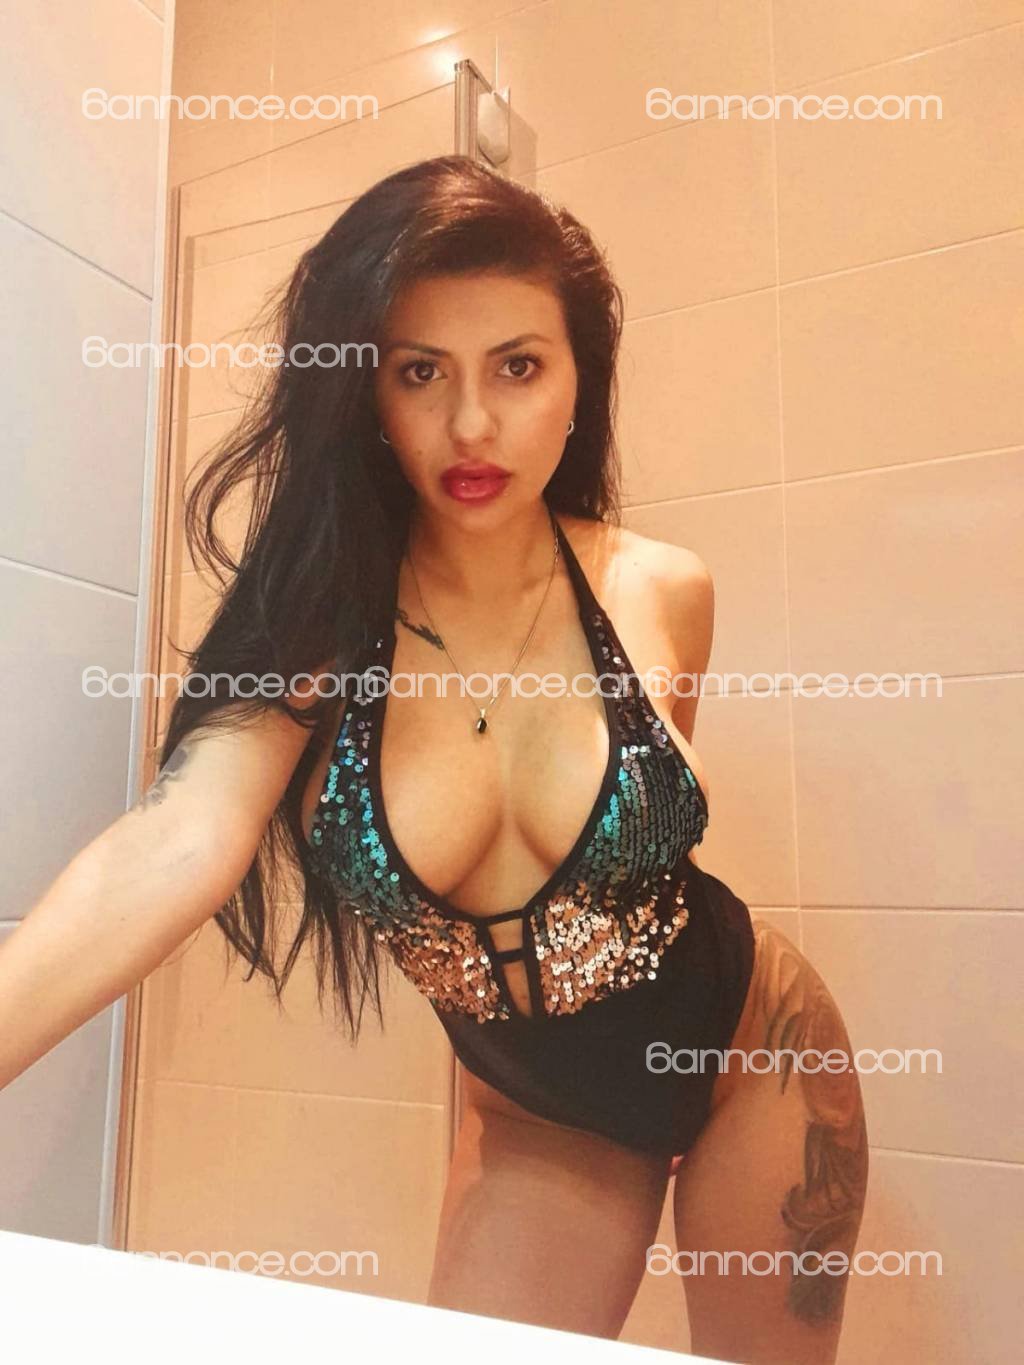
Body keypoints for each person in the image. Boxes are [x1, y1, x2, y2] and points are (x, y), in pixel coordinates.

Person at [0, 155, 867, 1364]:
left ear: (577, 379)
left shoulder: (661, 588)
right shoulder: (317, 630)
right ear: (366, 390)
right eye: (420, 372)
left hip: (754, 1049)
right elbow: (175, 839)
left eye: (517, 366)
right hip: (545, 1116)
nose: (471, 425)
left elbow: (644, 860)